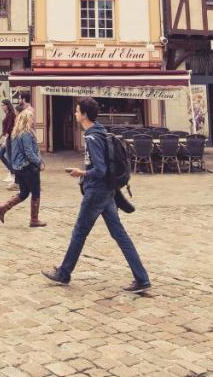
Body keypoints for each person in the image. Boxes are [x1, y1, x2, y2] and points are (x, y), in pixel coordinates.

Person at [42, 96, 150, 292]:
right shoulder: (101, 132)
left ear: (84, 114)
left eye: (76, 111)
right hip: (108, 191)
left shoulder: (92, 137)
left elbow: (99, 169)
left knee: (79, 232)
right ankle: (142, 278)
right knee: (119, 234)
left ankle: (64, 272)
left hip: (97, 191)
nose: (74, 113)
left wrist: (81, 172)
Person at [0, 108, 46, 227]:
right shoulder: (26, 134)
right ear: (27, 120)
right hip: (28, 167)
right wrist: (39, 162)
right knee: (35, 193)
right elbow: (29, 153)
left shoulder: (16, 133)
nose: (34, 121)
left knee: (24, 193)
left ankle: (3, 208)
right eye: (32, 118)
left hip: (19, 168)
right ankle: (34, 220)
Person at [0, 99, 16, 188]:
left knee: (9, 157)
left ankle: (14, 175)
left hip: (9, 139)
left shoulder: (11, 114)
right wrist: (0, 135)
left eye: (3, 105)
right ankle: (12, 172)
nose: (2, 107)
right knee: (0, 155)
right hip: (6, 137)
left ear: (7, 105)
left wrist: (5, 139)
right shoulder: (7, 114)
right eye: (1, 105)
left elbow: (9, 128)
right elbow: (4, 128)